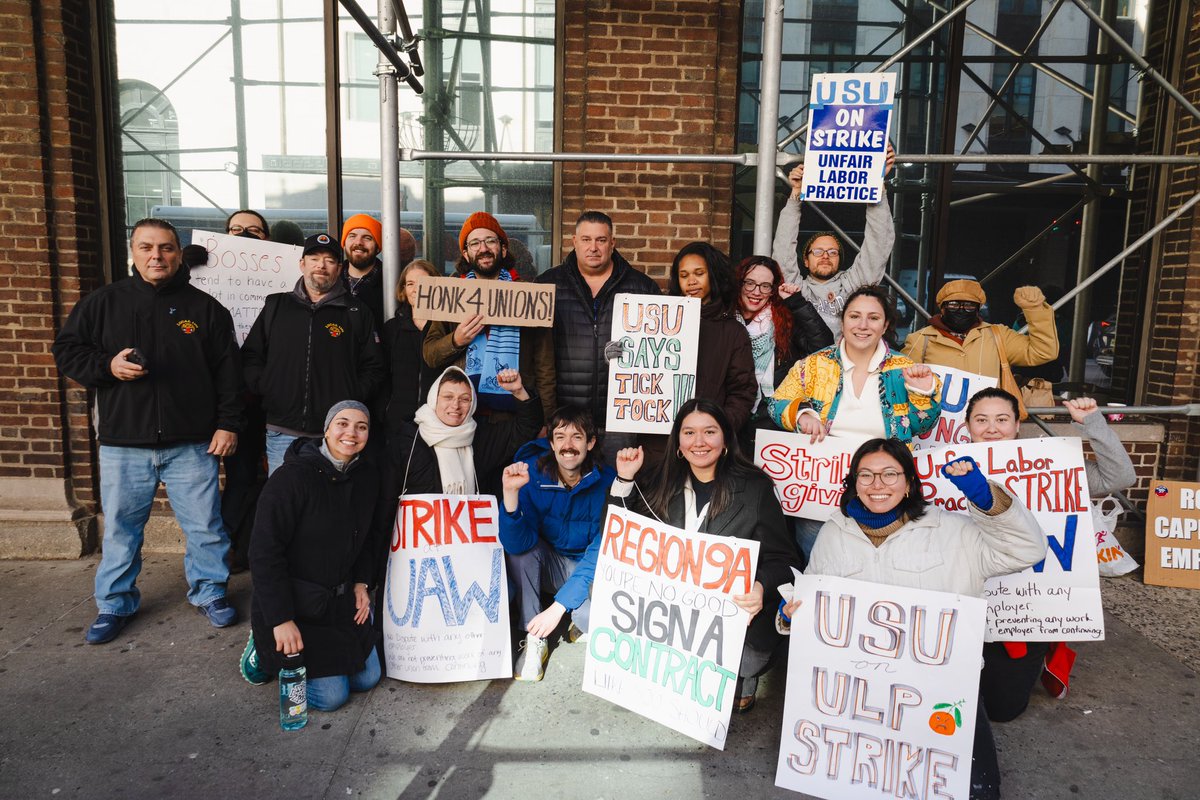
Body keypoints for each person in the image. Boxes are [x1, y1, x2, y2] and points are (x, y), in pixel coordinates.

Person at [797, 437, 1046, 800]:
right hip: (862, 697)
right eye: (866, 475)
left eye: (889, 474)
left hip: (943, 692)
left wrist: (986, 499)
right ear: (853, 482)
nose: (877, 484)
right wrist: (795, 613)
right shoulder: (834, 532)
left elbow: (1027, 550)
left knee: (973, 791)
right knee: (867, 784)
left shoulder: (951, 530)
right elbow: (816, 598)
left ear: (909, 482)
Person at [52, 218, 243, 643]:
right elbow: (66, 350)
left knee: (205, 527)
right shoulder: (103, 303)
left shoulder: (205, 309)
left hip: (192, 442)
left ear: (178, 253)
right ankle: (114, 603)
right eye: (146, 247)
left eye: (166, 248)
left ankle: (210, 592)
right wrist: (107, 366)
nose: (156, 256)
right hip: (124, 442)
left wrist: (228, 424)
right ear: (133, 252)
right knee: (121, 529)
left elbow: (229, 374)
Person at [609, 399, 802, 712]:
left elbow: (784, 560)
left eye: (709, 432)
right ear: (678, 442)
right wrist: (625, 479)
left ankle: (742, 677)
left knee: (749, 659)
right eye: (689, 433)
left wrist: (760, 588)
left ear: (725, 439)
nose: (699, 442)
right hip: (672, 612)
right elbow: (620, 538)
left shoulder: (755, 488)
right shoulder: (658, 480)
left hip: (728, 617)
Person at [966, 387, 1136, 722]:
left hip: (1027, 608)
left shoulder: (1050, 464)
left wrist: (1092, 423)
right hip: (972, 599)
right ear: (967, 426)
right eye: (981, 420)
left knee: (1002, 710)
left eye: (1002, 419)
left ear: (1017, 424)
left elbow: (1120, 477)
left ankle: (1047, 649)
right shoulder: (946, 464)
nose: (992, 428)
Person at [768, 285, 942, 559]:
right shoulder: (814, 365)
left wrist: (922, 394)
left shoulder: (904, 368)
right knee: (821, 561)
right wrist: (802, 415)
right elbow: (776, 403)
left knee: (878, 564)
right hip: (821, 489)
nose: (863, 325)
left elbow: (922, 426)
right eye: (854, 316)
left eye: (873, 318)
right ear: (843, 321)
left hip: (882, 489)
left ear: (885, 325)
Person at [238, 401, 383, 713]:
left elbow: (367, 536)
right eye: (342, 423)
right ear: (326, 430)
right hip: (296, 603)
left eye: (361, 427)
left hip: (338, 602)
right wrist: (280, 619)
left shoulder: (367, 478)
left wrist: (361, 582)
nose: (351, 433)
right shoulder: (291, 478)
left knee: (367, 678)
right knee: (333, 698)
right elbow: (263, 553)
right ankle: (262, 650)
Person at [241, 232, 386, 475]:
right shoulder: (276, 306)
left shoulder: (356, 312)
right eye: (314, 259)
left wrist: (349, 395)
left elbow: (374, 367)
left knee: (333, 496)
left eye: (329, 260)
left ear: (339, 268)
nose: (321, 265)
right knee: (284, 495)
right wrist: (267, 387)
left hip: (335, 434)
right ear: (302, 264)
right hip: (282, 430)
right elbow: (251, 356)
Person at [499, 406, 616, 681]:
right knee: (522, 555)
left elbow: (600, 552)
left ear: (591, 443)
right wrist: (510, 495)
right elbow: (517, 545)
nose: (568, 446)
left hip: (590, 571)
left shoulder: (609, 481)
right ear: (551, 444)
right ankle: (534, 636)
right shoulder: (534, 476)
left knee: (595, 621)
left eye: (577, 437)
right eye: (560, 437)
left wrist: (557, 607)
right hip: (552, 564)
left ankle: (577, 621)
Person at [537, 211, 661, 462]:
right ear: (574, 241)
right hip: (566, 422)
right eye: (586, 239)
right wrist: (545, 416)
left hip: (621, 421)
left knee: (619, 483)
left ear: (612, 243)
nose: (593, 247)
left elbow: (657, 353)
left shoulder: (643, 287)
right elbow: (535, 355)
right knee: (569, 485)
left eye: (601, 240)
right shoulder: (546, 285)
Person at [423, 212, 556, 421]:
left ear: (503, 249)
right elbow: (430, 355)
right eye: (475, 243)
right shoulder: (452, 294)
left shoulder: (527, 296)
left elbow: (545, 366)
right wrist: (456, 340)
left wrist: (547, 420)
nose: (483, 248)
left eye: (490, 241)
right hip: (463, 415)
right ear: (466, 254)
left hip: (515, 415)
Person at [771, 145, 896, 337]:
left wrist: (876, 183)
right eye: (817, 252)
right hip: (808, 356)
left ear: (839, 259)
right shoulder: (796, 289)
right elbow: (783, 248)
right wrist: (796, 194)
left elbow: (878, 245)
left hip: (849, 355)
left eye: (832, 252)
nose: (825, 256)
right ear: (806, 261)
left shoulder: (853, 285)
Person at [903, 279, 1059, 415]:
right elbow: (901, 383)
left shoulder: (998, 335)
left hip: (988, 424)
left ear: (978, 309)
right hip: (937, 427)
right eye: (953, 304)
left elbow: (1043, 351)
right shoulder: (921, 339)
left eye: (969, 306)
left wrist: (1035, 310)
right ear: (942, 308)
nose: (961, 310)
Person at [391, 366, 543, 497]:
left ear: (473, 404)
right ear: (433, 399)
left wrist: (518, 391)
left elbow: (528, 426)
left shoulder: (481, 437)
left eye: (464, 399)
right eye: (448, 397)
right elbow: (389, 496)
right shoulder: (409, 439)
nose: (455, 405)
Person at [734, 254, 833, 446]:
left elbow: (823, 347)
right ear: (739, 283)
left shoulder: (783, 322)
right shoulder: (725, 320)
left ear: (773, 290)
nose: (756, 292)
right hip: (732, 421)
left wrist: (796, 303)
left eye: (765, 286)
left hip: (771, 422)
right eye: (750, 283)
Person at [668, 242, 757, 434]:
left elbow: (742, 392)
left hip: (706, 443)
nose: (691, 281)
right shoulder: (659, 324)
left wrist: (718, 429)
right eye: (684, 275)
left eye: (699, 273)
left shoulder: (733, 332)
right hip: (658, 441)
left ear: (714, 275)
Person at [383, 259, 441, 437]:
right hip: (398, 423)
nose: (416, 289)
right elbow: (382, 377)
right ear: (403, 290)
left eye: (423, 282)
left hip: (439, 422)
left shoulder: (446, 328)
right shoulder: (392, 328)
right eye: (410, 284)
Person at [340, 213, 391, 328]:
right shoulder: (331, 279)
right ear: (344, 244)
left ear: (378, 247)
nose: (358, 242)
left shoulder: (391, 283)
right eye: (352, 236)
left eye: (367, 238)